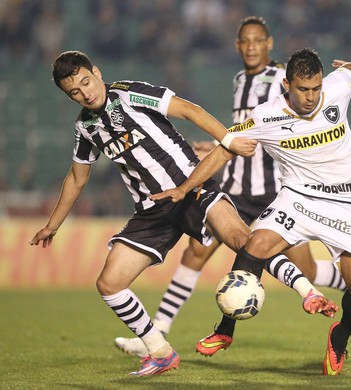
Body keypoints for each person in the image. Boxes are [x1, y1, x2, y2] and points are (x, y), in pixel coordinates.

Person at [28, 50, 333, 377]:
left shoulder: (131, 93)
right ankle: (159, 352)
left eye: (87, 82)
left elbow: (189, 110)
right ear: (68, 95)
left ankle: (308, 292)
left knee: (240, 239)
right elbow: (77, 177)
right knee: (109, 283)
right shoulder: (86, 127)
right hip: (152, 210)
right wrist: (52, 225)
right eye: (75, 91)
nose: (85, 93)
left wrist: (228, 139)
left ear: (97, 72)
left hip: (191, 188)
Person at [113, 16, 351, 360]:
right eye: (303, 90)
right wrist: (185, 186)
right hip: (298, 198)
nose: (311, 98)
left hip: (347, 204)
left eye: (316, 89)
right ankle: (224, 330)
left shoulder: (336, 87)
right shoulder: (265, 116)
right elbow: (223, 150)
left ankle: (340, 337)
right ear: (287, 87)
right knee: (255, 244)